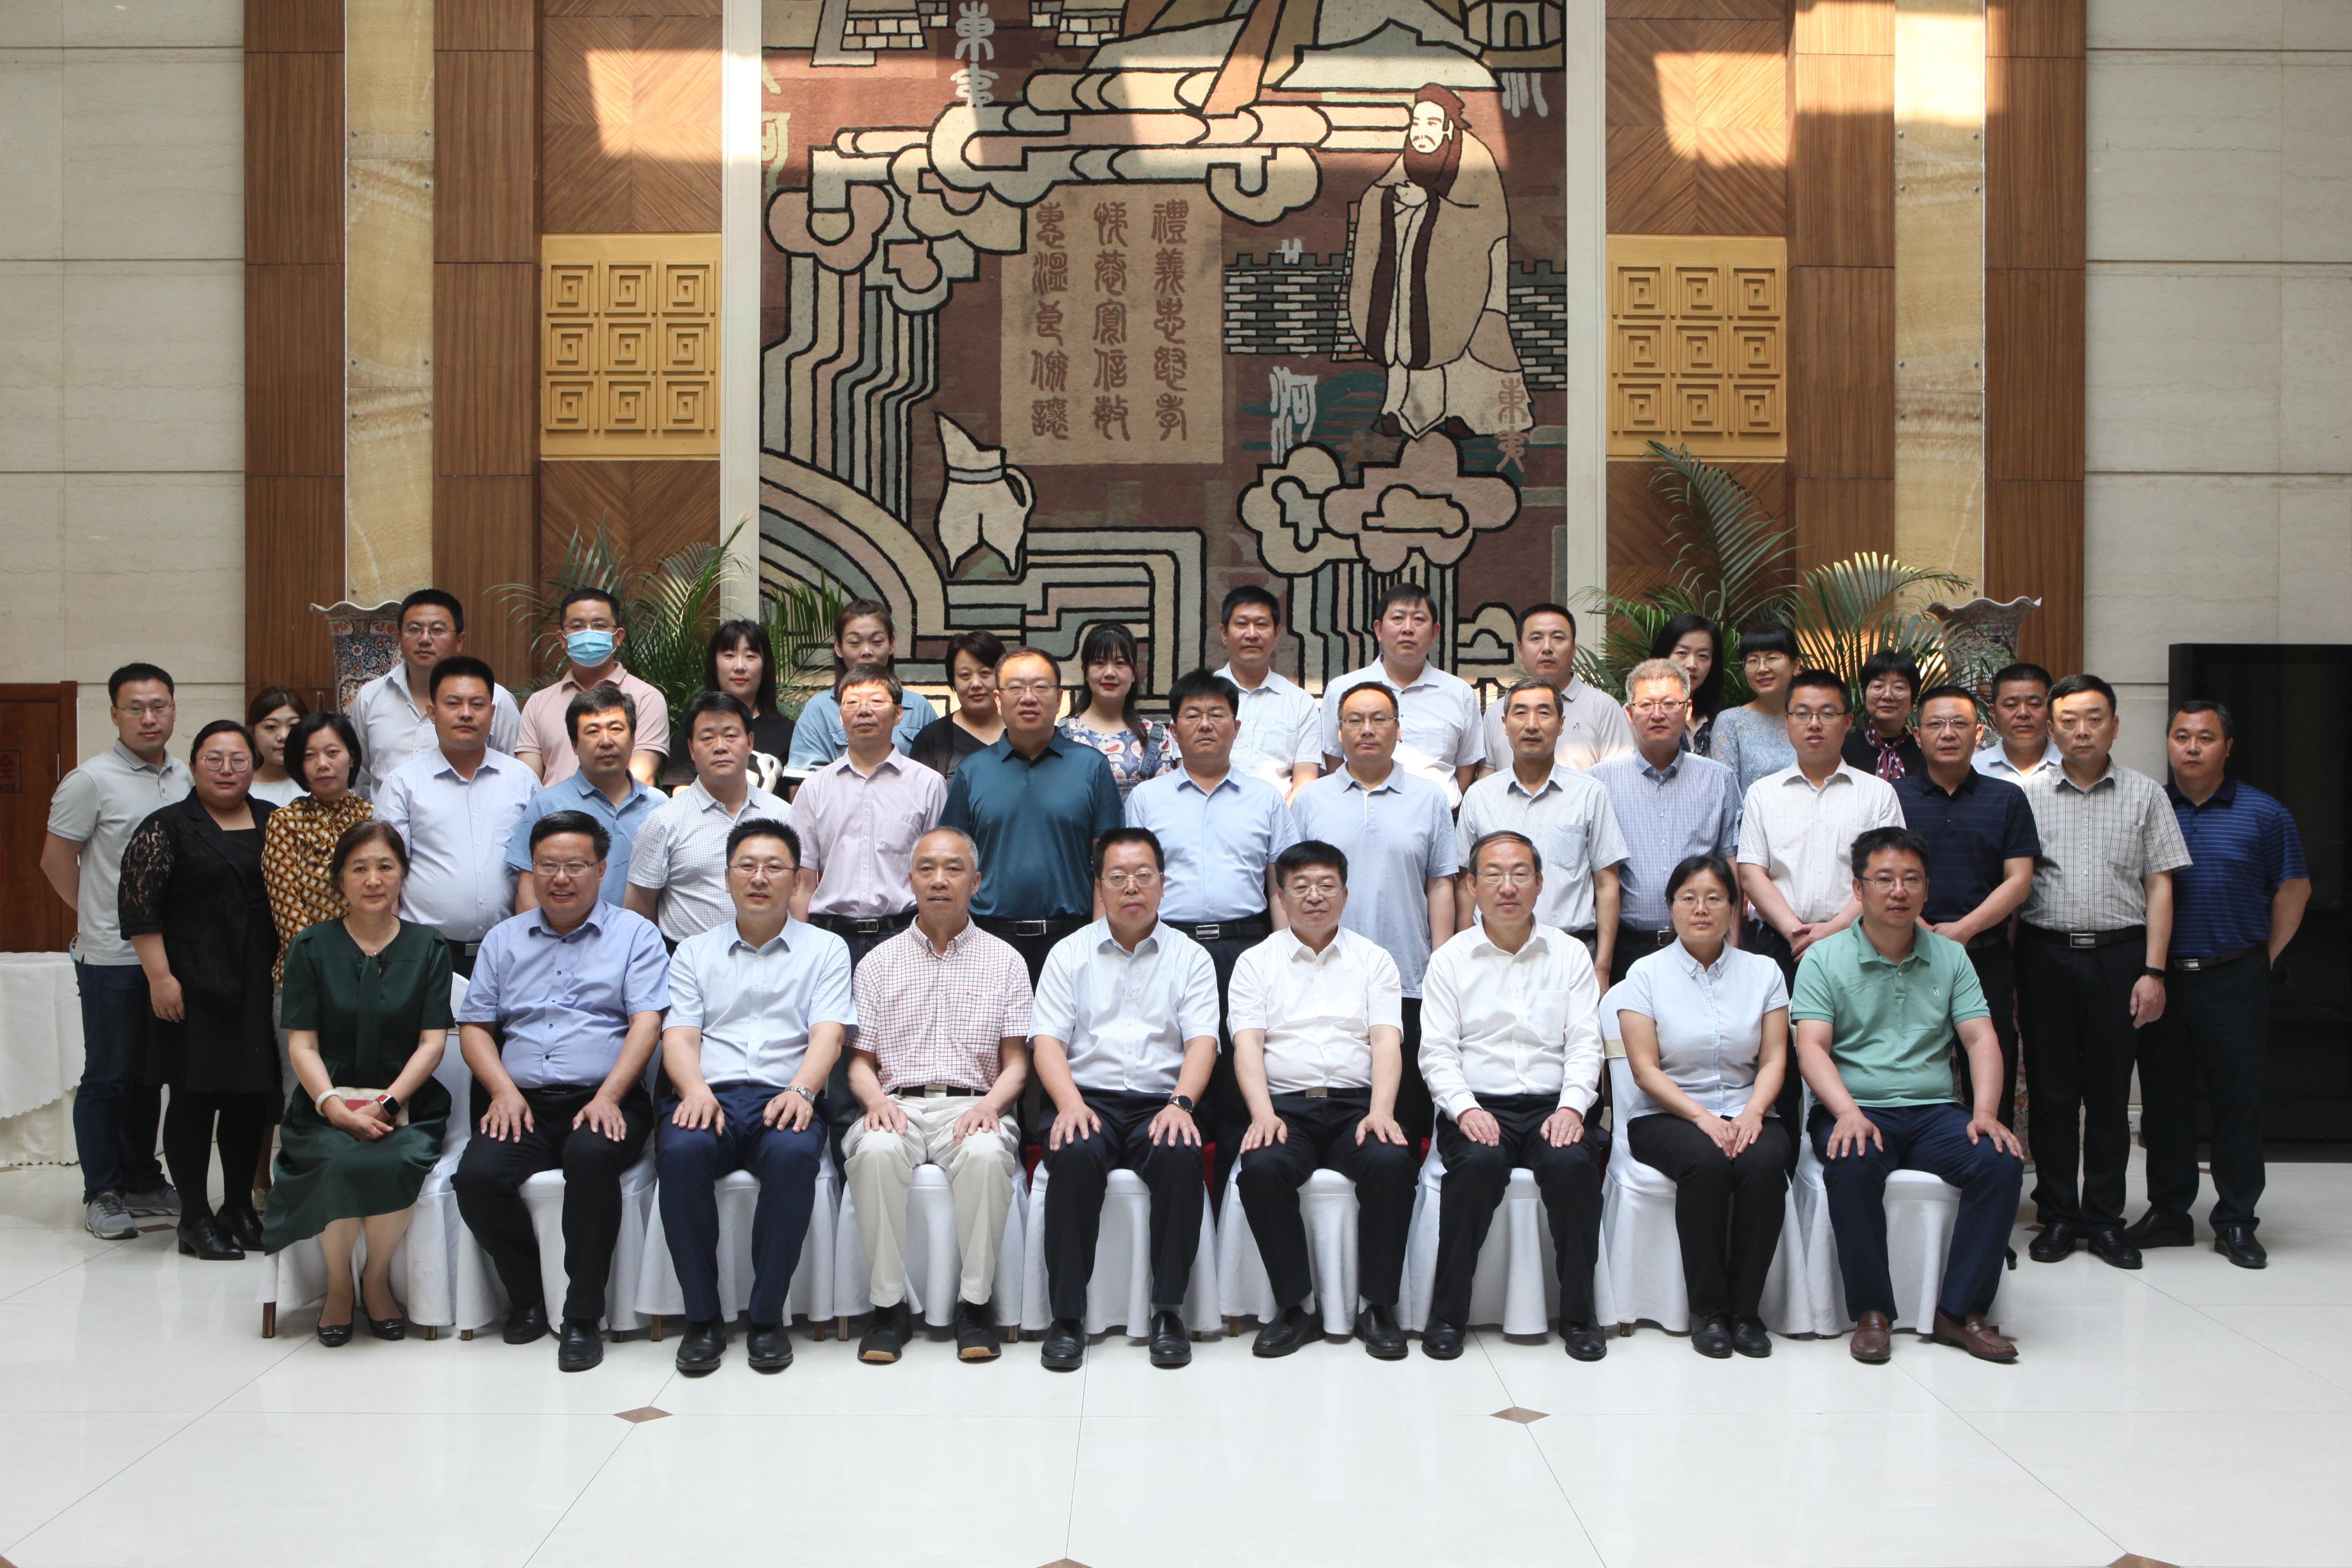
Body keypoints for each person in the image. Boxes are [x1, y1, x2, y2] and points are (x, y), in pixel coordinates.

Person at [1793, 827, 2026, 1365]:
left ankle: (1959, 1310)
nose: (1898, 891)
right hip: (1854, 1108)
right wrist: (1847, 1112)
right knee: (1852, 1163)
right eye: (1884, 879)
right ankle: (1873, 1313)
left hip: (1933, 1113)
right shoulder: (1823, 959)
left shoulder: (1951, 957)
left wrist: (1985, 1114)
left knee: (1999, 1160)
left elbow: (1980, 1039)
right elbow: (1812, 1049)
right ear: (1858, 889)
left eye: (1911, 879)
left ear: (1926, 889)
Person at [453, 811, 669, 1372]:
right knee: (476, 1177)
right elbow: (475, 1027)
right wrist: (502, 1091)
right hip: (521, 1101)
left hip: (605, 1097)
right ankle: (527, 1297)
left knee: (591, 1159)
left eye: (575, 865)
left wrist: (610, 1096)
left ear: (601, 869)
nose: (561, 878)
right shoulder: (504, 939)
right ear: (533, 870)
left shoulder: (635, 935)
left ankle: (582, 1315)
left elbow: (647, 1023)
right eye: (548, 866)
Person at [658, 820, 850, 1376]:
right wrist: (694, 1090)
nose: (759, 878)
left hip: (785, 1094)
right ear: (726, 878)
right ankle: (702, 1319)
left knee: (792, 1157)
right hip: (709, 1093)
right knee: (681, 1153)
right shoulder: (694, 952)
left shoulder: (826, 949)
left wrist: (802, 1090)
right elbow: (680, 1036)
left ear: (797, 881)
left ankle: (767, 1319)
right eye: (746, 866)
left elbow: (828, 1034)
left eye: (773, 867)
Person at [2016, 673, 2191, 1272]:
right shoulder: (2026, 795)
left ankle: (2104, 1219)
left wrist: (2154, 970)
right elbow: (2013, 886)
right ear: (2051, 727)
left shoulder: (2146, 795)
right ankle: (2058, 1215)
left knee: (2112, 1096)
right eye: (2068, 720)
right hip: (2045, 955)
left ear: (2115, 725)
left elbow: (2160, 886)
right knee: (2052, 1093)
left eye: (2094, 718)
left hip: (2122, 957)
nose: (2082, 730)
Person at [2127, 700, 2309, 1270]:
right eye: (2181, 736)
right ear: (2168, 743)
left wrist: (2264, 956)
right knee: (2164, 1102)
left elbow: (2294, 888)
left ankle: (2235, 1219)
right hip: (2163, 980)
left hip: (2234, 975)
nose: (2192, 747)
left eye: (2205, 737)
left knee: (2237, 1102)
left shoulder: (2265, 813)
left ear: (2227, 746)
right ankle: (2170, 1212)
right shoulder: (2150, 807)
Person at [1031, 828, 1220, 1372]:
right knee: (1073, 1156)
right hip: (1085, 1097)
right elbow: (1048, 1042)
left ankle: (1168, 1311)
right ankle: (1068, 1316)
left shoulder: (1191, 957)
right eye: (1117, 877)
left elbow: (1202, 1041)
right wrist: (1069, 1104)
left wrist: (1182, 1104)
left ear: (1163, 883)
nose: (1131, 887)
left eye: (1143, 876)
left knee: (1180, 1156)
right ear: (1099, 886)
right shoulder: (1069, 953)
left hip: (1162, 1100)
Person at [842, 828, 1032, 1365]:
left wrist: (989, 1107)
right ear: (911, 880)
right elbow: (859, 1063)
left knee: (987, 1154)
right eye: (926, 869)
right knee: (875, 1152)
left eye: (953, 869)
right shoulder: (878, 962)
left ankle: (975, 1305)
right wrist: (876, 1103)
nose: (939, 880)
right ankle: (888, 1308)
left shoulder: (1006, 961)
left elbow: (1017, 1064)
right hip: (895, 1101)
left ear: (976, 881)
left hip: (975, 1103)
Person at [261, 821, 454, 1344]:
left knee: (398, 1159)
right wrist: (331, 1106)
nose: (373, 880)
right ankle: (339, 1284)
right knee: (336, 1160)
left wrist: (387, 1103)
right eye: (360, 868)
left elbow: (432, 1044)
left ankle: (376, 1278)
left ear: (403, 875)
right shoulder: (310, 947)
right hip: (325, 1102)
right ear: (340, 880)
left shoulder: (429, 946)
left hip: (407, 1102)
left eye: (386, 867)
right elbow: (302, 1045)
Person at [1419, 830, 1609, 1360]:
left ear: (1540, 883)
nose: (1508, 887)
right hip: (1479, 1103)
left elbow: (1586, 1043)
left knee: (1572, 1166)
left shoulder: (1569, 954)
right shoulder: (1450, 960)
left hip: (1554, 1104)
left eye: (1521, 873)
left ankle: (1580, 1316)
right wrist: (1465, 1109)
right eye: (1494, 875)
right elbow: (1437, 1052)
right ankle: (1447, 1315)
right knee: (1476, 1166)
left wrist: (1573, 1106)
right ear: (1472, 886)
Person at [1228, 840, 1418, 1359]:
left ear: (1345, 894)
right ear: (1281, 897)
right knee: (1262, 1168)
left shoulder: (1374, 960)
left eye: (1326, 885)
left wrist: (1382, 1112)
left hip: (1357, 1107)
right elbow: (1248, 1045)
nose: (1315, 897)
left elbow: (1386, 1041)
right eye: (1302, 887)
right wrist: (1262, 1114)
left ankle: (1378, 1306)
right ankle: (1295, 1307)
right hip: (1285, 1108)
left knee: (1391, 1163)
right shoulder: (1255, 963)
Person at [1125, 668, 1299, 1194]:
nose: (1205, 725)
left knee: (1240, 1072)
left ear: (1236, 727)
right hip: (1168, 949)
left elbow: (1279, 886)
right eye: (1193, 715)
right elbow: (1129, 882)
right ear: (1174, 729)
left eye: (1217, 714)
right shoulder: (1147, 799)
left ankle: (1235, 1202)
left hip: (1244, 948)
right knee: (1174, 1063)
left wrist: (1285, 956)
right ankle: (1179, 1194)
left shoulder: (1265, 799)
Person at [117, 721, 281, 1261]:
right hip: (192, 982)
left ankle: (237, 1207)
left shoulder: (273, 820)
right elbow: (139, 909)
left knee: (249, 1100)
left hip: (259, 981)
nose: (226, 769)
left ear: (254, 767)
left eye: (238, 759)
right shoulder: (166, 826)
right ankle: (193, 1218)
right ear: (192, 767)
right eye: (214, 759)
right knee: (194, 1099)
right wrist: (161, 979)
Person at [1616, 854, 1791, 1359]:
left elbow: (1774, 1058)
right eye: (1688, 898)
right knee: (1707, 1164)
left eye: (1715, 898)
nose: (1701, 908)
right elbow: (1645, 1070)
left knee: (1763, 1165)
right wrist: (1703, 1118)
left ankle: (1746, 1312)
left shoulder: (1764, 972)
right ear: (1670, 906)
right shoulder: (1644, 974)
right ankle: (1710, 1312)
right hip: (1666, 1114)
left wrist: (1753, 1113)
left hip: (1749, 1107)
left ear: (1735, 907)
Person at [41, 662, 191, 1239]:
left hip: (169, 956)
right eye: (136, 707)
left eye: (159, 705)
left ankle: (142, 1179)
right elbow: (56, 860)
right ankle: (102, 1190)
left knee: (150, 1076)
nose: (149, 717)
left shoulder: (185, 774)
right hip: (110, 957)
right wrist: (100, 916)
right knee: (108, 1074)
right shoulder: (90, 780)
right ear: (114, 714)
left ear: (173, 708)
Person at [1291, 681, 1459, 1142]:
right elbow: (1290, 888)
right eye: (1355, 720)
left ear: (1398, 729)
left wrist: (1441, 962)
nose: (1367, 729)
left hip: (1408, 975)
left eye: (1379, 719)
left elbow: (1440, 883)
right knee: (1337, 1103)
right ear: (1339, 733)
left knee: (1405, 1117)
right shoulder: (1310, 799)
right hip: (1325, 975)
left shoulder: (1429, 798)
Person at [1344, 83, 1532, 440]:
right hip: (1419, 272)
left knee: (1478, 342)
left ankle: (1479, 417)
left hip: (1475, 274)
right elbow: (1377, 194)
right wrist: (1394, 200)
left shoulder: (1473, 157)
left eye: (1431, 123)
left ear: (1448, 127)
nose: (1421, 132)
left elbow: (1485, 218)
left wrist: (1430, 203)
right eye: (1416, 123)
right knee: (1410, 332)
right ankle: (1407, 413)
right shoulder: (1408, 159)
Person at [1895, 685, 2040, 1129]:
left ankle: (1991, 1162)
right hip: (1907, 957)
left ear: (1979, 734)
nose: (1948, 733)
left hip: (1985, 956)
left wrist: (1964, 929)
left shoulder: (2007, 798)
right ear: (1917, 735)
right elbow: (1880, 875)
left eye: (1959, 723)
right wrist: (1920, 927)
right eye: (1936, 724)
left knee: (1990, 1072)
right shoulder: (1893, 797)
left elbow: (2020, 880)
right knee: (1910, 1070)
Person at [940, 646, 1126, 983]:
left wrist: (1098, 940)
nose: (1028, 698)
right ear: (998, 699)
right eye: (1016, 688)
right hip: (989, 943)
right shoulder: (973, 771)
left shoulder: (1091, 767)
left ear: (1060, 698)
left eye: (1041, 687)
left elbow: (1109, 862)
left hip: (1072, 940)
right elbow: (953, 863)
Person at [1736, 668, 1904, 989]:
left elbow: (1888, 873)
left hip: (1860, 941)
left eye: (1828, 714)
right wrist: (1794, 932)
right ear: (1787, 722)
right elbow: (1752, 873)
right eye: (1802, 714)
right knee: (1779, 1024)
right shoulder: (1762, 793)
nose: (1814, 724)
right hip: (1779, 943)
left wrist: (1836, 928)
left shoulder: (1879, 794)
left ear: (1848, 721)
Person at [372, 657, 538, 978]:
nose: (466, 713)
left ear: (492, 713)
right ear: (433, 713)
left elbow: (537, 867)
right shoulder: (404, 783)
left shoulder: (522, 780)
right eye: (453, 703)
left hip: (510, 951)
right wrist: (388, 954)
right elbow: (386, 871)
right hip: (423, 953)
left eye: (477, 704)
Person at [1457, 679, 1627, 976]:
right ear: (1504, 724)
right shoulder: (1479, 796)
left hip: (1570, 958)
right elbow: (1464, 884)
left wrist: (1602, 968)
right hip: (1491, 959)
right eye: (1521, 713)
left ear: (1561, 724)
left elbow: (1607, 884)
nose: (1532, 725)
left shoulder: (1590, 793)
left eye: (1544, 713)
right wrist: (1464, 957)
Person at [1590, 659, 1743, 987]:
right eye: (1646, 705)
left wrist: (1734, 946)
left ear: (1688, 710)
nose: (1657, 714)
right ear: (1629, 713)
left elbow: (1730, 865)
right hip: (1627, 945)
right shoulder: (1599, 781)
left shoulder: (1718, 779)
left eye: (1670, 704)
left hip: (1702, 945)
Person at [788, 664, 947, 959]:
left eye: (876, 701)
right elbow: (802, 881)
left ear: (898, 713)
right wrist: (799, 952)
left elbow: (938, 873)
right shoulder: (815, 788)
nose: (863, 711)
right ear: (840, 716)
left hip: (904, 936)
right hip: (829, 937)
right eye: (852, 703)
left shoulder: (928, 785)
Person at [627, 692, 791, 947]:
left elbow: (797, 893)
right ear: (692, 749)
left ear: (750, 743)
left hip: (772, 957)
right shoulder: (663, 821)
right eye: (707, 738)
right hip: (686, 961)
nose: (720, 746)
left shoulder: (783, 815)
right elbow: (639, 910)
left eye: (731, 735)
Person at [1319, 583, 1483, 807]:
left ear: (1435, 632)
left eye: (1418, 619)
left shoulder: (1459, 693)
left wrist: (1443, 808)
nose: (1408, 628)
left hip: (1438, 816)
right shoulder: (1342, 689)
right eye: (1398, 618)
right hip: (1359, 812)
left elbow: (1467, 765)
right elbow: (1333, 761)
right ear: (1379, 630)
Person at [349, 589, 523, 797]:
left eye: (437, 630)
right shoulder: (370, 697)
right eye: (414, 629)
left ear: (459, 640)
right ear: (399, 638)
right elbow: (361, 778)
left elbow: (512, 775)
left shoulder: (496, 699)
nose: (424, 639)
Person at [506, 687, 660, 912]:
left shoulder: (659, 806)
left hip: (642, 934)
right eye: (593, 731)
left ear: (633, 739)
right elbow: (529, 889)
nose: (606, 741)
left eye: (616, 729)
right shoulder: (547, 805)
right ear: (575, 745)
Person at [262, 712, 375, 987]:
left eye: (332, 752)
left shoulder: (373, 818)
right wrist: (329, 969)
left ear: (351, 757)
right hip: (305, 974)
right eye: (309, 756)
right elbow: (287, 910)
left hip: (371, 968)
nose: (322, 764)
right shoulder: (285, 822)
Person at [514, 587, 670, 786]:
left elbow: (641, 778)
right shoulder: (538, 703)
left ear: (618, 636)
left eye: (599, 625)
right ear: (562, 639)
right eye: (577, 626)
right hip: (552, 806)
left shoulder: (647, 698)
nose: (588, 633)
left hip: (619, 807)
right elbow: (527, 784)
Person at [1478, 602, 1634, 777]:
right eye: (1536, 638)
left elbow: (1620, 777)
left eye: (1558, 638)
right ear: (1520, 649)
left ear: (1574, 649)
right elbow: (1486, 781)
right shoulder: (1497, 712)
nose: (1547, 648)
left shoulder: (1603, 708)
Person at [786, 598, 937, 768]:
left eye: (877, 642)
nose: (866, 652)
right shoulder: (819, 710)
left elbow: (936, 773)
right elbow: (804, 779)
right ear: (838, 646)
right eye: (855, 643)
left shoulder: (919, 708)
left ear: (892, 643)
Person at [1212, 585, 1321, 797]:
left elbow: (1305, 784)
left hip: (1279, 816)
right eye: (1242, 624)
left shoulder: (1300, 703)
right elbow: (1187, 771)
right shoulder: (1199, 698)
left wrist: (1279, 818)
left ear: (1277, 634)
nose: (1252, 634)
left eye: (1261, 625)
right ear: (1224, 633)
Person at [1058, 621, 1177, 797]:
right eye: (1099, 662)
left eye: (1120, 663)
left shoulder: (1156, 737)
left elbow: (1164, 803)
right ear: (1085, 671)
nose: (1110, 673)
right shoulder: (1061, 735)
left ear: (1134, 673)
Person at [1709, 619, 1800, 797]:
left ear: (1795, 666)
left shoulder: (1811, 719)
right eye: (1753, 660)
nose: (1762, 668)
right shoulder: (1731, 721)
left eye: (1772, 658)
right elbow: (1725, 795)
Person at [909, 629, 1006, 781]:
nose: (976, 684)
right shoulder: (932, 740)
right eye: (965, 675)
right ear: (953, 681)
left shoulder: (1024, 731)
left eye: (985, 673)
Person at [706, 618, 796, 767]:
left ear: (765, 666)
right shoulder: (697, 724)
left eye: (750, 656)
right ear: (714, 664)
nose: (740, 667)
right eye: (729, 655)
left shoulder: (787, 731)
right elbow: (680, 781)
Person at [1844, 649, 1925, 782]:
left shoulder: (1926, 752)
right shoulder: (1842, 749)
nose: (1887, 695)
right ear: (1864, 694)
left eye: (1899, 688)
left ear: (1913, 698)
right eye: (1878, 687)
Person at [1973, 662, 2061, 782]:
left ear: (2051, 709)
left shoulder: (2071, 765)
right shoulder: (1973, 769)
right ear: (1994, 713)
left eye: (2034, 704)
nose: (2023, 713)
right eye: (2011, 705)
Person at [1652, 613, 1724, 756]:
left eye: (1703, 656)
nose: (1692, 665)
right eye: (1682, 653)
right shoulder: (1641, 712)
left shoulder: (1717, 721)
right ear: (1663, 656)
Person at [246, 687, 310, 807]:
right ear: (252, 731)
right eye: (271, 727)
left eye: (293, 726)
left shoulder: (320, 785)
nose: (284, 736)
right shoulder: (242, 789)